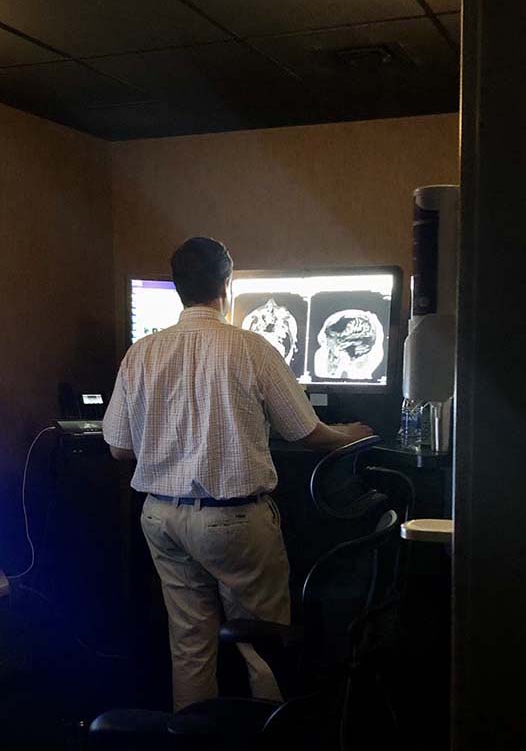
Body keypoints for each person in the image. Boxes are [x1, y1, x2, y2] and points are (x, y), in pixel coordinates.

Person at [103, 237, 374, 712]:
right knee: (263, 646)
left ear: (178, 287)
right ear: (226, 285)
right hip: (233, 522)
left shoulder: (140, 353)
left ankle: (196, 743)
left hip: (161, 519)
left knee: (189, 645)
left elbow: (119, 447)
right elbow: (304, 431)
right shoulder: (251, 348)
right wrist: (348, 433)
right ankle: (269, 741)